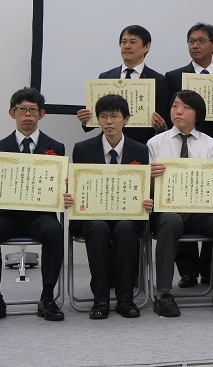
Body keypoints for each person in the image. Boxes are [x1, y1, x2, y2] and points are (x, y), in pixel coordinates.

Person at [0, 87, 65, 323]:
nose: (27, 115)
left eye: (33, 110)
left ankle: (47, 298)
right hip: (5, 215)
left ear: (42, 114)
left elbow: (59, 189)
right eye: (22, 110)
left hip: (40, 215)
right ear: (12, 113)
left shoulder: (56, 147)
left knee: (55, 231)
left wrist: (65, 189)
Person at [147, 90, 213, 316]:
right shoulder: (155, 143)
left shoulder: (211, 145)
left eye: (186, 107)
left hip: (200, 212)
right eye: (175, 106)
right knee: (170, 221)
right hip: (167, 210)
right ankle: (163, 293)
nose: (178, 111)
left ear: (198, 115)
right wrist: (149, 176)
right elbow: (146, 189)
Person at [65, 94, 152, 319]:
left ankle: (125, 299)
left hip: (128, 215)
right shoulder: (83, 148)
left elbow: (145, 188)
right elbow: (78, 186)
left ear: (126, 119)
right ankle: (101, 299)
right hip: (91, 216)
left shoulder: (140, 150)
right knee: (97, 227)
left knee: (125, 228)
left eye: (114, 116)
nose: (109, 122)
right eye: (103, 116)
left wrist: (148, 200)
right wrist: (69, 195)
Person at [164, 22, 213, 290]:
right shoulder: (173, 77)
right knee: (178, 197)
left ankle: (210, 270)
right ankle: (188, 271)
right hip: (178, 144)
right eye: (191, 41)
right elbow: (167, 112)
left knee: (211, 204)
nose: (195, 45)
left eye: (201, 40)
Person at [75, 25, 168, 144]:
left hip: (142, 145)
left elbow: (165, 122)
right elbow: (97, 119)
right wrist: (86, 120)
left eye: (132, 42)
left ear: (146, 47)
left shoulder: (159, 80)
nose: (127, 46)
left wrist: (161, 128)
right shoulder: (105, 78)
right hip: (108, 145)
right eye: (124, 42)